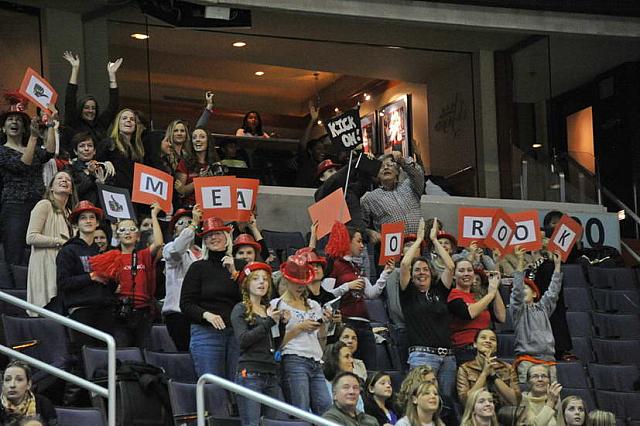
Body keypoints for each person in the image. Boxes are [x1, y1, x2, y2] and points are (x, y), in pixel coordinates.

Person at [89, 203, 164, 348]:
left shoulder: (143, 256)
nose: (127, 232)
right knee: (122, 352)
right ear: (117, 236)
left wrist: (154, 215)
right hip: (120, 314)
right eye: (122, 230)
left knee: (145, 353)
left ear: (137, 236)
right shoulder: (109, 257)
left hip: (143, 313)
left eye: (132, 229)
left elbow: (159, 243)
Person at [399, 218, 456, 400]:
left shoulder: (440, 291)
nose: (421, 272)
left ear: (431, 273)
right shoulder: (408, 294)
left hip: (447, 358)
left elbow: (450, 266)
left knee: (444, 403)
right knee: (421, 398)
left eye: (425, 269)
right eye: (417, 270)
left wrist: (434, 240)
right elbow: (404, 265)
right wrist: (418, 240)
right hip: (422, 356)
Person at [181, 217, 243, 380]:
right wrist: (206, 315)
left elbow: (251, 300)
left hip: (237, 333)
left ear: (227, 237)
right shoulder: (198, 267)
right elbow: (186, 304)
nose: (213, 238)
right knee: (212, 386)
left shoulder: (241, 265)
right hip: (206, 333)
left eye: (217, 233)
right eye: (208, 236)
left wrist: (234, 274)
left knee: (238, 387)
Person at [326, 223, 394, 370]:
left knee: (369, 369)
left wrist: (386, 273)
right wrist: (347, 287)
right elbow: (326, 297)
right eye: (358, 241)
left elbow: (371, 293)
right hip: (346, 324)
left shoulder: (356, 268)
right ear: (347, 242)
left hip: (365, 324)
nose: (362, 245)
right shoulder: (335, 265)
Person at [270, 254, 332, 414]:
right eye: (295, 282)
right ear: (286, 280)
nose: (300, 286)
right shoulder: (276, 306)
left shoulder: (314, 305)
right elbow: (275, 343)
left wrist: (324, 324)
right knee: (301, 410)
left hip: (316, 360)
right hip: (293, 358)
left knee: (325, 407)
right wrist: (299, 328)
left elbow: (322, 341)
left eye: (303, 283)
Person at [0, 94, 56, 267]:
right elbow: (23, 165)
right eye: (10, 119)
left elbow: (49, 152)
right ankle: (13, 292)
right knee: (15, 252)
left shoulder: (30, 147)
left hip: (37, 204)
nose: (14, 122)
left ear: (24, 128)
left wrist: (51, 124)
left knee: (36, 251)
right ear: (3, 128)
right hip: (15, 206)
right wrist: (33, 137)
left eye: (18, 120)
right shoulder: (2, 151)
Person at [230, 261, 288, 426]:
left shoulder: (268, 309)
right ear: (247, 284)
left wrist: (281, 324)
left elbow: (276, 343)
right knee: (252, 423)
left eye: (265, 279)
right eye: (256, 279)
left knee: (277, 422)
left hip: (271, 374)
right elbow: (243, 340)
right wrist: (269, 322)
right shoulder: (240, 309)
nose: (262, 282)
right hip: (250, 374)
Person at [56, 201, 116, 350]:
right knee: (85, 356)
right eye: (83, 218)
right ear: (76, 224)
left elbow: (112, 286)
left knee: (106, 357)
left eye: (92, 217)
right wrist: (90, 277)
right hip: (81, 310)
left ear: (97, 223)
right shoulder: (68, 250)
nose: (88, 221)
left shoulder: (103, 251)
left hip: (105, 310)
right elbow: (63, 283)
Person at [511, 247, 563, 382]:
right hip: (528, 361)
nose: (521, 291)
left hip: (549, 361)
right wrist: (520, 262)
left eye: (525, 289)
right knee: (528, 397)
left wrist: (557, 266)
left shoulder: (543, 308)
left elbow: (553, 292)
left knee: (553, 397)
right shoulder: (518, 310)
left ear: (534, 294)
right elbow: (516, 291)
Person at [26, 170, 76, 311]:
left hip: (63, 267)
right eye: (59, 178)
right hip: (45, 263)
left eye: (68, 179)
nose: (64, 180)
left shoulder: (70, 214)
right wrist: (60, 241)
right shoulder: (44, 205)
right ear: (51, 187)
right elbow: (31, 237)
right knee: (49, 308)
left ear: (71, 190)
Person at [447, 259, 505, 366]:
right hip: (465, 350)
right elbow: (469, 313)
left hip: (486, 349)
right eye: (461, 270)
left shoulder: (479, 298)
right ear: (454, 276)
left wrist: (494, 287)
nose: (466, 274)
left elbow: (501, 317)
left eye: (469, 270)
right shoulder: (453, 295)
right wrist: (490, 294)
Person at [62, 51, 121, 154]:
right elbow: (70, 99)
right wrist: (75, 69)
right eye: (87, 107)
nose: (90, 111)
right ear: (80, 109)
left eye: (93, 108)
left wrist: (112, 76)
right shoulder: (73, 122)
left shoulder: (100, 125)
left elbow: (113, 106)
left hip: (100, 165)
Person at [162, 205, 203, 351]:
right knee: (187, 353)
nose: (186, 225)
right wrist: (193, 225)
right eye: (181, 223)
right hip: (178, 314)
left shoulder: (203, 253)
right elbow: (178, 248)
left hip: (200, 313)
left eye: (189, 221)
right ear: (174, 232)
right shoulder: (170, 248)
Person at [361, 151, 425, 238]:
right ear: (377, 175)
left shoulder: (410, 185)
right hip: (393, 247)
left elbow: (418, 173)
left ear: (397, 171)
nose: (386, 168)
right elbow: (361, 226)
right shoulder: (370, 198)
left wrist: (402, 160)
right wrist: (371, 233)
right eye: (381, 167)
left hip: (419, 242)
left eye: (390, 165)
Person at [456, 329, 520, 410]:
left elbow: (515, 401)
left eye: (492, 339)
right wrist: (484, 373)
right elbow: (466, 402)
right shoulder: (465, 368)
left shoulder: (508, 368)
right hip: (476, 414)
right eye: (483, 338)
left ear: (496, 347)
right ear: (475, 344)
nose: (488, 341)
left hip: (504, 414)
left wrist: (493, 375)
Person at [96, 108, 144, 190]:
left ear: (135, 126)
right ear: (118, 123)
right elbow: (96, 165)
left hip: (132, 195)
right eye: (124, 118)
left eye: (132, 119)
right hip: (114, 193)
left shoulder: (138, 149)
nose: (128, 120)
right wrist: (104, 164)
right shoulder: (108, 143)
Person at [174, 127, 221, 208]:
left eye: (202, 137)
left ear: (208, 141)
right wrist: (200, 180)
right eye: (194, 137)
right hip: (189, 208)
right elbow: (181, 192)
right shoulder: (184, 162)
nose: (197, 140)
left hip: (210, 206)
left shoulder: (215, 163)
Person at [0, 361, 57, 426]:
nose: (12, 385)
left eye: (19, 379)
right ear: (2, 385)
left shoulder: (43, 404)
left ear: (28, 384)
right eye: (7, 379)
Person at [322, 341, 365, 413]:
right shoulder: (321, 388)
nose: (351, 360)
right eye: (347, 357)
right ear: (334, 361)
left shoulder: (354, 388)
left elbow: (360, 415)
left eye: (351, 357)